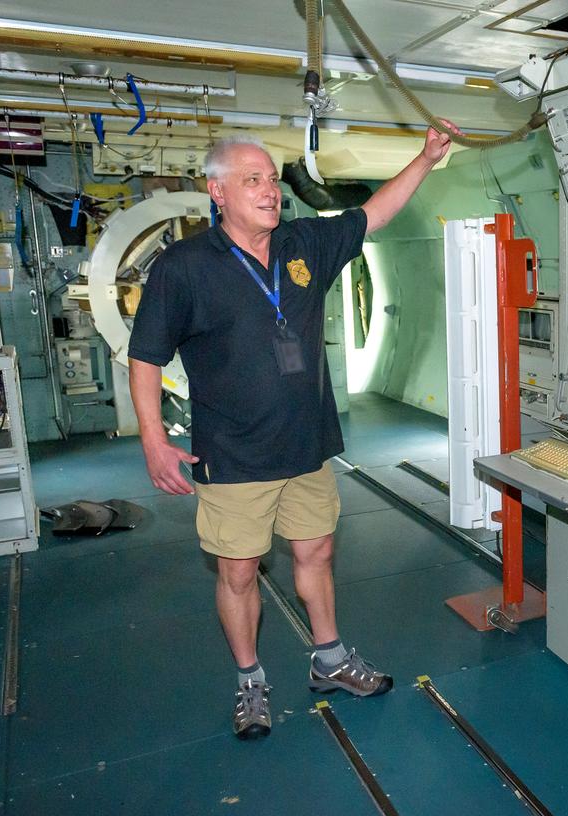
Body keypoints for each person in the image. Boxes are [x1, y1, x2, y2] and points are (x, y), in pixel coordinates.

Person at [128, 123, 454, 738]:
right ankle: (250, 679)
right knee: (239, 572)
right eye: (252, 180)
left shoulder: (305, 243)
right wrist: (153, 440)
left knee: (317, 552)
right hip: (232, 453)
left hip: (306, 446)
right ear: (216, 191)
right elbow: (144, 357)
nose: (270, 191)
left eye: (273, 180)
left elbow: (372, 213)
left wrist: (426, 159)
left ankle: (329, 659)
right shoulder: (184, 268)